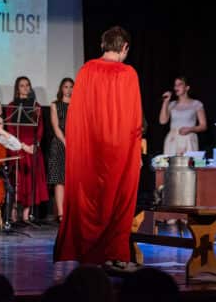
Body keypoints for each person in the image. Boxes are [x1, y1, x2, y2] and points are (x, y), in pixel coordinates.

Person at [54, 26, 143, 266]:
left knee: (90, 200)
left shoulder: (86, 70)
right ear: (124, 47)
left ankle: (88, 254)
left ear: (103, 45)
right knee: (119, 200)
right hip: (119, 150)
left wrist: (77, 148)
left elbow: (76, 116)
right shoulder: (128, 73)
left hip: (90, 149)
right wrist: (135, 152)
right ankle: (115, 254)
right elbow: (134, 120)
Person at [4, 76, 48, 223]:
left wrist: (35, 144)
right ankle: (14, 211)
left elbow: (40, 128)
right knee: (17, 179)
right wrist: (21, 145)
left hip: (32, 146)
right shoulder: (11, 106)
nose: (25, 88)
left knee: (31, 180)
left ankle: (26, 214)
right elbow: (10, 128)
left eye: (27, 85)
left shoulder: (36, 106)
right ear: (17, 88)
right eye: (22, 85)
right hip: (17, 145)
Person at [159, 76, 207, 155]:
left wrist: (190, 129)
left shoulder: (196, 104)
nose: (176, 87)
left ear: (187, 88)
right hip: (173, 140)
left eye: (180, 84)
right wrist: (165, 102)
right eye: (175, 85)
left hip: (189, 139)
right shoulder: (172, 104)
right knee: (171, 162)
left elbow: (203, 126)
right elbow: (162, 121)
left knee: (188, 162)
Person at [48, 77, 74, 223]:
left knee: (73, 180)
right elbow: (55, 125)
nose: (68, 90)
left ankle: (72, 212)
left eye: (71, 87)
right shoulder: (55, 105)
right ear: (61, 88)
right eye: (66, 86)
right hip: (59, 144)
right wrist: (65, 142)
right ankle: (61, 214)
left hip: (75, 143)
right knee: (59, 180)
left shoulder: (78, 105)